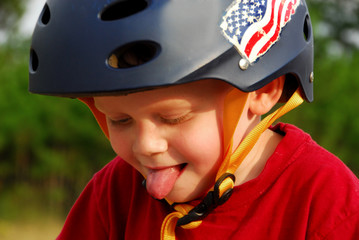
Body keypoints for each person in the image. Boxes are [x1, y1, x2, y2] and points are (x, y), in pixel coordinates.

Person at [29, 0, 359, 239]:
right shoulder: (115, 194)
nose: (146, 146)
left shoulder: (328, 205)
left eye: (172, 117)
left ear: (261, 90)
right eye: (119, 120)